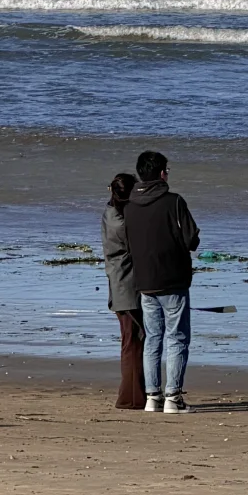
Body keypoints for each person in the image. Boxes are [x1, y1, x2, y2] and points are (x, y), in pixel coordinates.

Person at [124, 150, 201, 414]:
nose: (168, 174)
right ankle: (173, 397)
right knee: (177, 338)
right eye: (166, 170)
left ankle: (153, 397)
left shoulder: (130, 205)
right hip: (172, 280)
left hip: (145, 280)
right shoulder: (174, 201)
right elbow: (192, 240)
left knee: (153, 338)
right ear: (160, 173)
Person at [100, 172, 145, 410]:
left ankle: (135, 394)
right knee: (133, 342)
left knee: (134, 341)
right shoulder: (121, 222)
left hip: (122, 287)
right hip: (125, 288)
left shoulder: (112, 213)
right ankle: (131, 398)